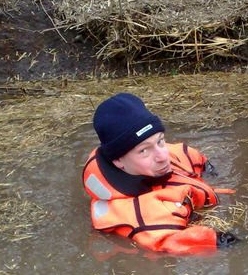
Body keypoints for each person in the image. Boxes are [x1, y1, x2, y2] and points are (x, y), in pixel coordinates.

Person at [83, 92, 238, 254]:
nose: (163, 156)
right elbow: (172, 241)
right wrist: (228, 240)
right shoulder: (138, 214)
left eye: (160, 141)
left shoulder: (157, 158)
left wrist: (210, 170)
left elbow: (186, 154)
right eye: (144, 150)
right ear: (118, 161)